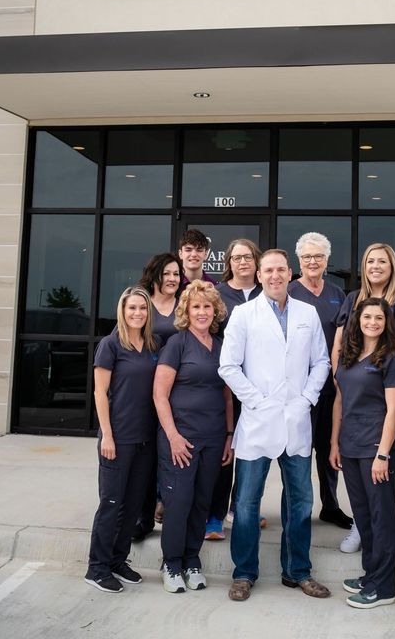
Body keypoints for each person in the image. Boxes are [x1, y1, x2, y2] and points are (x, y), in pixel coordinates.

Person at [219, 249, 331, 602]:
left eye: (281, 269)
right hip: (258, 421)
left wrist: (306, 400)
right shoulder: (243, 314)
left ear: (289, 272)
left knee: (300, 501)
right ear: (260, 274)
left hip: (296, 421)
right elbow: (229, 367)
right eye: (268, 270)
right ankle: (244, 573)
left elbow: (322, 362)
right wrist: (257, 401)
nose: (275, 276)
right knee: (248, 502)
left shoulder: (307, 313)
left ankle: (297, 570)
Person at [332, 242, 395, 554]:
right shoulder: (353, 299)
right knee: (360, 491)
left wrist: (376, 373)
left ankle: (380, 565)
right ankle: (362, 532)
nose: (376, 266)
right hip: (354, 392)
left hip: (379, 394)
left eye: (383, 261)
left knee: (379, 494)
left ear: (392, 266)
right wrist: (343, 376)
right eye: (370, 261)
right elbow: (340, 340)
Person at [153, 280, 234, 593]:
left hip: (214, 438)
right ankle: (171, 564)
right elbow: (160, 395)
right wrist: (172, 435)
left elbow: (227, 397)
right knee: (179, 501)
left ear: (215, 310)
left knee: (202, 500)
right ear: (186, 310)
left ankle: (191, 559)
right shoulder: (177, 344)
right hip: (181, 439)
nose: (202, 311)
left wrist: (228, 435)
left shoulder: (222, 345)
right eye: (196, 306)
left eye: (207, 306)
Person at [330, 298, 395, 609]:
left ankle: (384, 587)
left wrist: (384, 454)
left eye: (378, 317)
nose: (372, 322)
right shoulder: (348, 356)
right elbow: (339, 401)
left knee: (381, 516)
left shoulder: (391, 358)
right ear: (357, 320)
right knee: (363, 516)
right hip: (349, 445)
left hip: (376, 448)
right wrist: (334, 443)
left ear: (387, 322)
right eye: (367, 316)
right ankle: (371, 575)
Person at [85, 286, 158, 593]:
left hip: (146, 439)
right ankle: (97, 568)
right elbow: (100, 392)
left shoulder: (154, 344)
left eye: (142, 308)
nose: (137, 313)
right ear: (122, 311)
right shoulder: (111, 344)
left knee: (132, 506)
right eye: (132, 308)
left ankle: (117, 560)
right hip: (118, 438)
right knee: (111, 504)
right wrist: (107, 436)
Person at [287, 231, 352, 530]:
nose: (313, 261)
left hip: (331, 387)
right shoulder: (288, 293)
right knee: (297, 450)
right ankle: (297, 506)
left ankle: (331, 505)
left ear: (327, 260)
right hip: (298, 388)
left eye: (318, 256)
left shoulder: (338, 295)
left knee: (328, 447)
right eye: (307, 257)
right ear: (299, 261)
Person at [205, 238, 263, 540]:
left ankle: (240, 506)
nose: (242, 262)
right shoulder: (218, 294)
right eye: (237, 257)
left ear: (256, 261)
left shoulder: (267, 292)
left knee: (252, 451)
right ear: (229, 262)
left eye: (248, 257)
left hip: (260, 385)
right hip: (227, 385)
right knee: (225, 451)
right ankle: (214, 514)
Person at [132, 252, 184, 541]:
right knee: (144, 454)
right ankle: (143, 516)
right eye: (167, 273)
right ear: (155, 274)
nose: (172, 279)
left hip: (175, 392)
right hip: (142, 388)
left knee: (167, 451)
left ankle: (165, 502)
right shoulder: (142, 305)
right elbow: (123, 338)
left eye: (176, 274)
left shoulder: (183, 305)